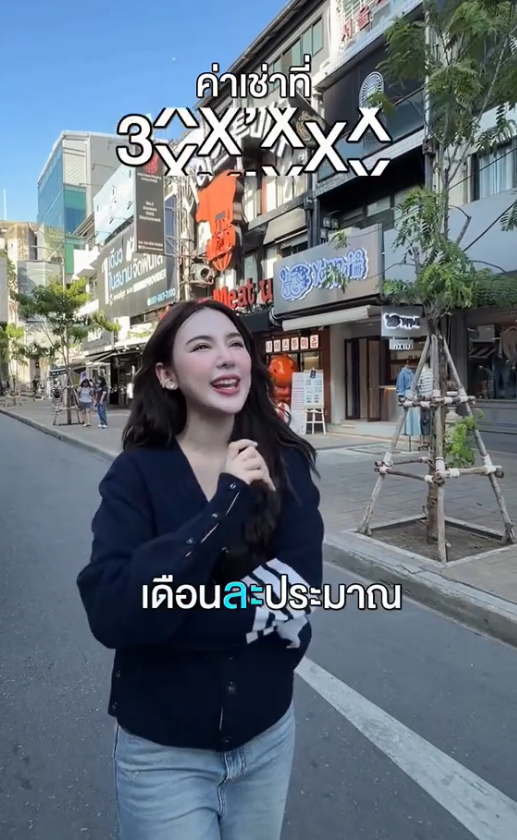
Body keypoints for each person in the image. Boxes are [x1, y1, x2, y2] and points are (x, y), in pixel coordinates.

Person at [77, 299, 323, 840]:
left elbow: (299, 594)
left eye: (235, 344)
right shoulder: (136, 476)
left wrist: (170, 615)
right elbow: (113, 611)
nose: (226, 357)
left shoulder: (284, 463)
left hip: (267, 738)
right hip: (162, 757)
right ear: (167, 375)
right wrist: (226, 503)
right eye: (202, 346)